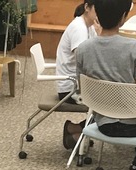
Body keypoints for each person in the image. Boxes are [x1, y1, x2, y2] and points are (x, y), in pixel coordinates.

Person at [74, 0, 136, 170]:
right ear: (123, 17)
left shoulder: (83, 48)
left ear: (97, 15)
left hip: (103, 123)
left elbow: (81, 86)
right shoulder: (134, 47)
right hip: (134, 126)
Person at [56, 1, 98, 148]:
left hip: (80, 84)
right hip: (71, 89)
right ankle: (77, 129)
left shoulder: (89, 26)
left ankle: (75, 128)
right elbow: (83, 62)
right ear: (87, 7)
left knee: (113, 99)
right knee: (112, 102)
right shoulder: (79, 28)